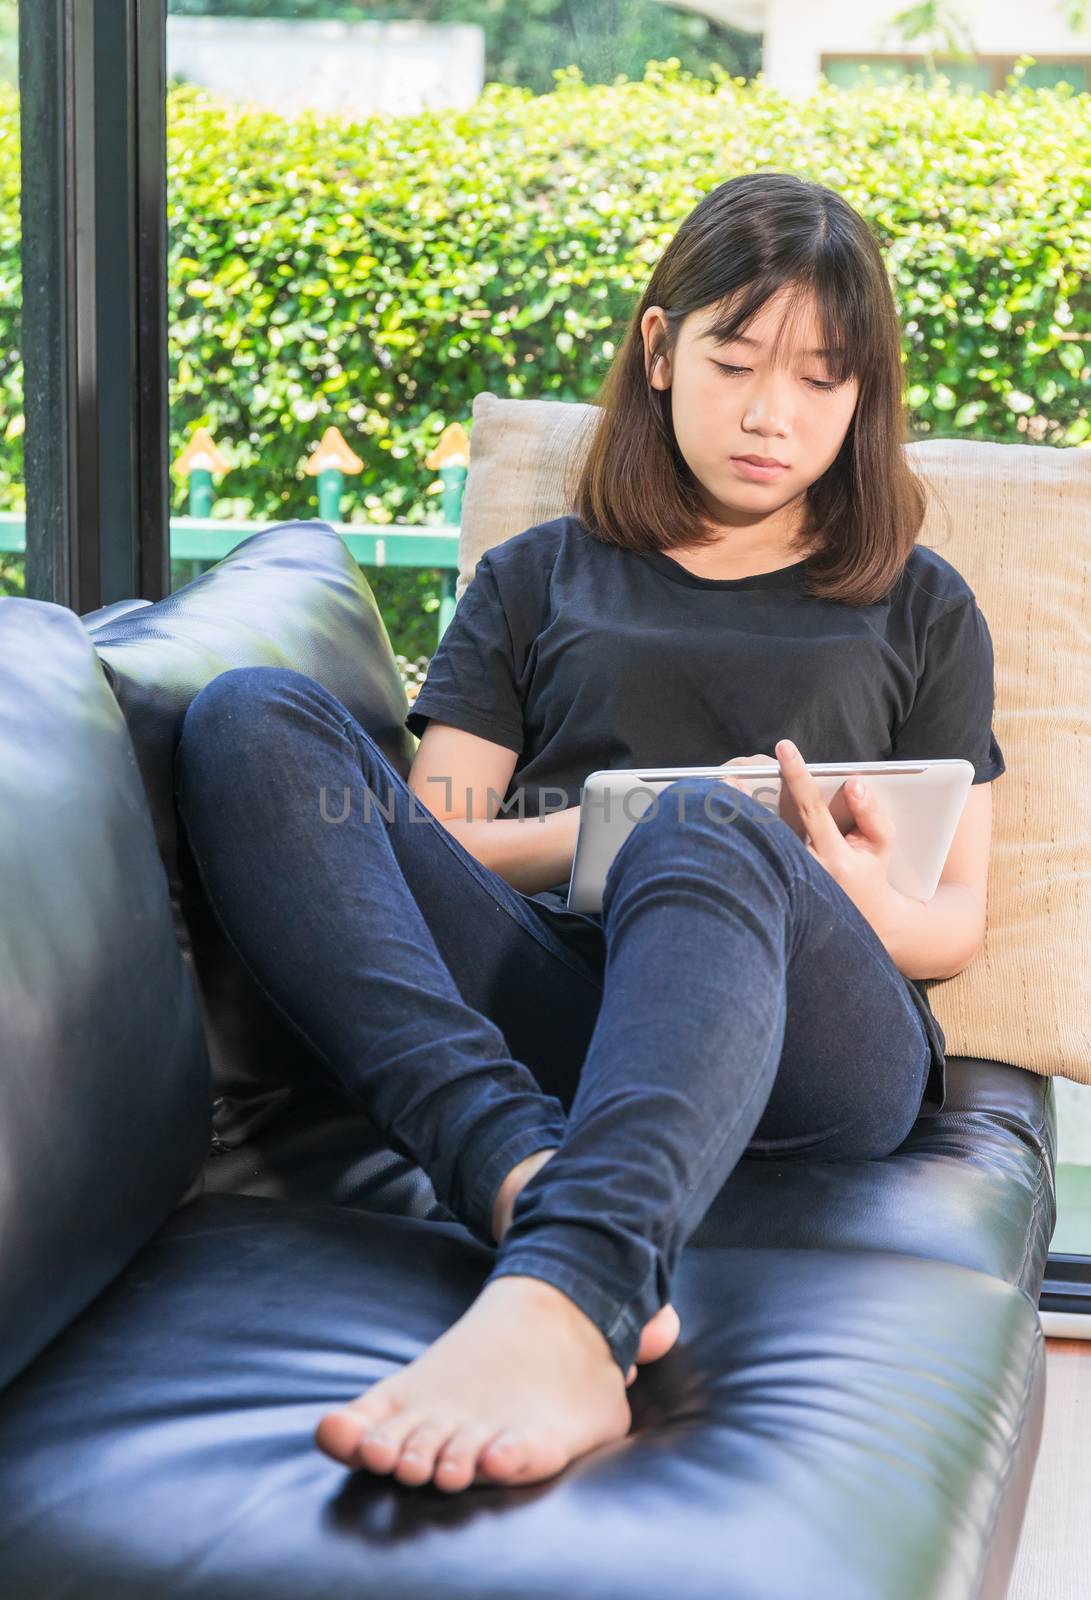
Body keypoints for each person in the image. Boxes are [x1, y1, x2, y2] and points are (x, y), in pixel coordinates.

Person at [174, 171, 1006, 1497]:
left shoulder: (922, 607)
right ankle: (513, 1165)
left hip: (817, 1036)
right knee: (248, 720)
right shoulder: (536, 579)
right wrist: (598, 834)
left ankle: (574, 1295)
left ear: (864, 400)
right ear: (660, 350)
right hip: (557, 1003)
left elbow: (955, 923)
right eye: (736, 361)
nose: (772, 415)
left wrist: (831, 878)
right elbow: (435, 842)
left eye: (823, 381)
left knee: (706, 834)